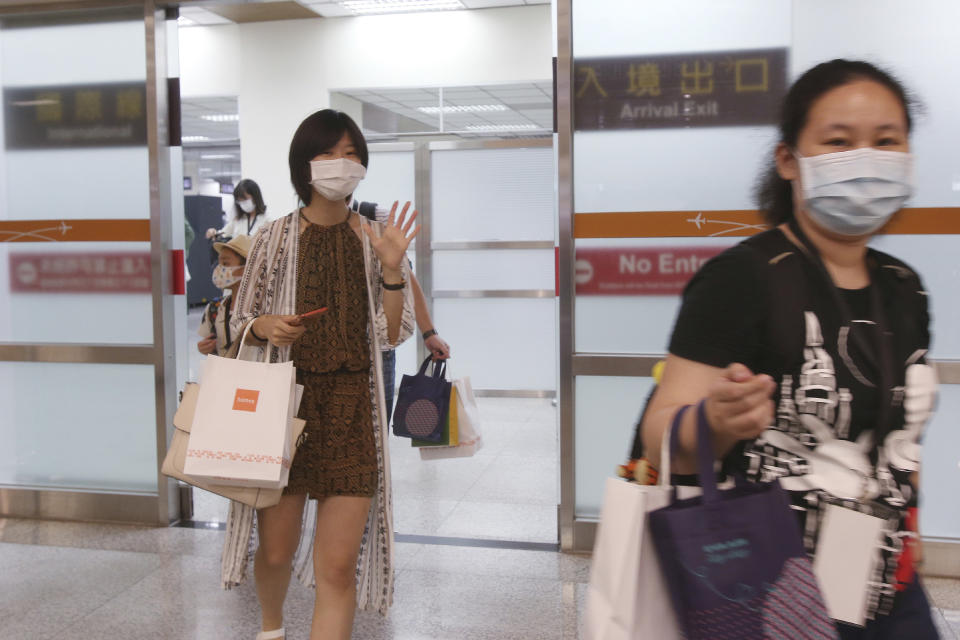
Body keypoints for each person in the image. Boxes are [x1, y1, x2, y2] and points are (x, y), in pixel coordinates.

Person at [640, 59, 938, 638]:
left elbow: (901, 435)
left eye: (886, 141)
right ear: (788, 162)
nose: (866, 159)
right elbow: (661, 435)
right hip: (772, 596)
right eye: (838, 142)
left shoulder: (905, 287)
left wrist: (913, 524)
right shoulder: (742, 278)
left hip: (890, 585)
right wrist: (715, 421)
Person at [222, 109, 417, 640]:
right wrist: (264, 325)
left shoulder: (376, 239)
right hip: (286, 413)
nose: (342, 165)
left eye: (352, 154)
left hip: (354, 413)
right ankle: (270, 627)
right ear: (303, 166)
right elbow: (238, 319)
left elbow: (392, 333)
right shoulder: (272, 238)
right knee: (278, 551)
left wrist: (394, 271)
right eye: (329, 154)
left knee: (336, 570)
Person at [352, 198, 452, 420]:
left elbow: (406, 277)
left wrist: (429, 332)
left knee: (376, 426)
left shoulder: (376, 216)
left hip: (378, 347)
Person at [196, 235, 250, 358]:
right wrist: (205, 348)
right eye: (219, 263)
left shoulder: (266, 310)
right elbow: (211, 346)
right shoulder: (214, 309)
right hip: (223, 375)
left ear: (247, 268)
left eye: (225, 263)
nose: (219, 269)